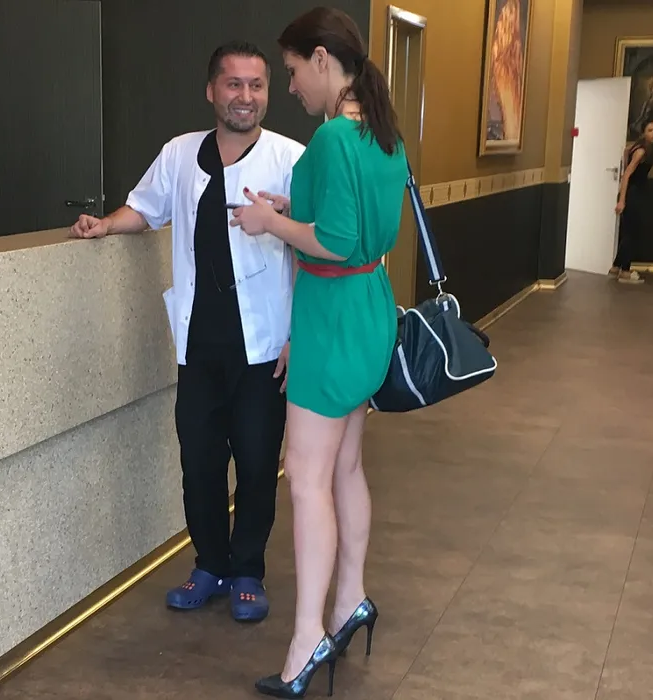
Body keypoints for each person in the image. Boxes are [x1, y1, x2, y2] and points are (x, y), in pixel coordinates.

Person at [70, 41, 305, 623]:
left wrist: (299, 334)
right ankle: (210, 564)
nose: (245, 96)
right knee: (199, 462)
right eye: (234, 84)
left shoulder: (291, 159)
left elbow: (312, 249)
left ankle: (247, 570)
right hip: (198, 344)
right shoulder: (180, 154)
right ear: (211, 90)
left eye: (256, 85)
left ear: (268, 93)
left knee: (256, 462)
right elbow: (145, 209)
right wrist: (106, 226)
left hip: (263, 346)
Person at [228, 8, 408, 698]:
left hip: (331, 318)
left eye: (293, 70)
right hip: (367, 310)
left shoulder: (333, 136)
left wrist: (267, 222)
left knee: (306, 478)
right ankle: (349, 599)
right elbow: (356, 230)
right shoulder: (382, 133)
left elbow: (331, 241)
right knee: (346, 466)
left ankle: (306, 641)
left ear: (323, 60)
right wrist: (288, 211)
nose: (291, 85)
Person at [611, 116, 653, 284]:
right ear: (644, 132)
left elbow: (626, 151)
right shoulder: (641, 151)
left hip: (637, 191)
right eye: (650, 130)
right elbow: (627, 174)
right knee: (632, 233)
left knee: (630, 231)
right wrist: (622, 200)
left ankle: (616, 267)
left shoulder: (640, 148)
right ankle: (625, 271)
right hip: (633, 193)